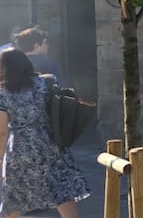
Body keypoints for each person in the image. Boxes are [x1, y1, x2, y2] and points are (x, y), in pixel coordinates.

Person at [0, 48, 90, 217]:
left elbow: (2, 131)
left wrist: (0, 160)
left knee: (14, 195)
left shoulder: (3, 94)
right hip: (50, 142)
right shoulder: (45, 83)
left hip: (20, 149)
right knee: (61, 191)